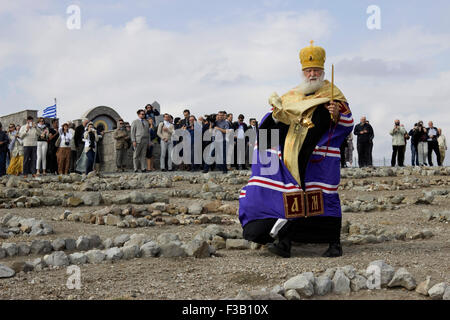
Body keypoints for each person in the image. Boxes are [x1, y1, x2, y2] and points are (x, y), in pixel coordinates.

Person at [239, 41, 354, 258]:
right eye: (308, 70)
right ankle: (285, 242)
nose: (312, 74)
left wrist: (336, 114)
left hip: (320, 160)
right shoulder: (292, 95)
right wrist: (275, 116)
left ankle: (334, 244)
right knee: (289, 197)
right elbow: (270, 124)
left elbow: (347, 124)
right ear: (303, 72)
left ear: (322, 71)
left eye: (316, 70)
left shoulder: (334, 95)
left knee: (324, 198)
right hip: (290, 158)